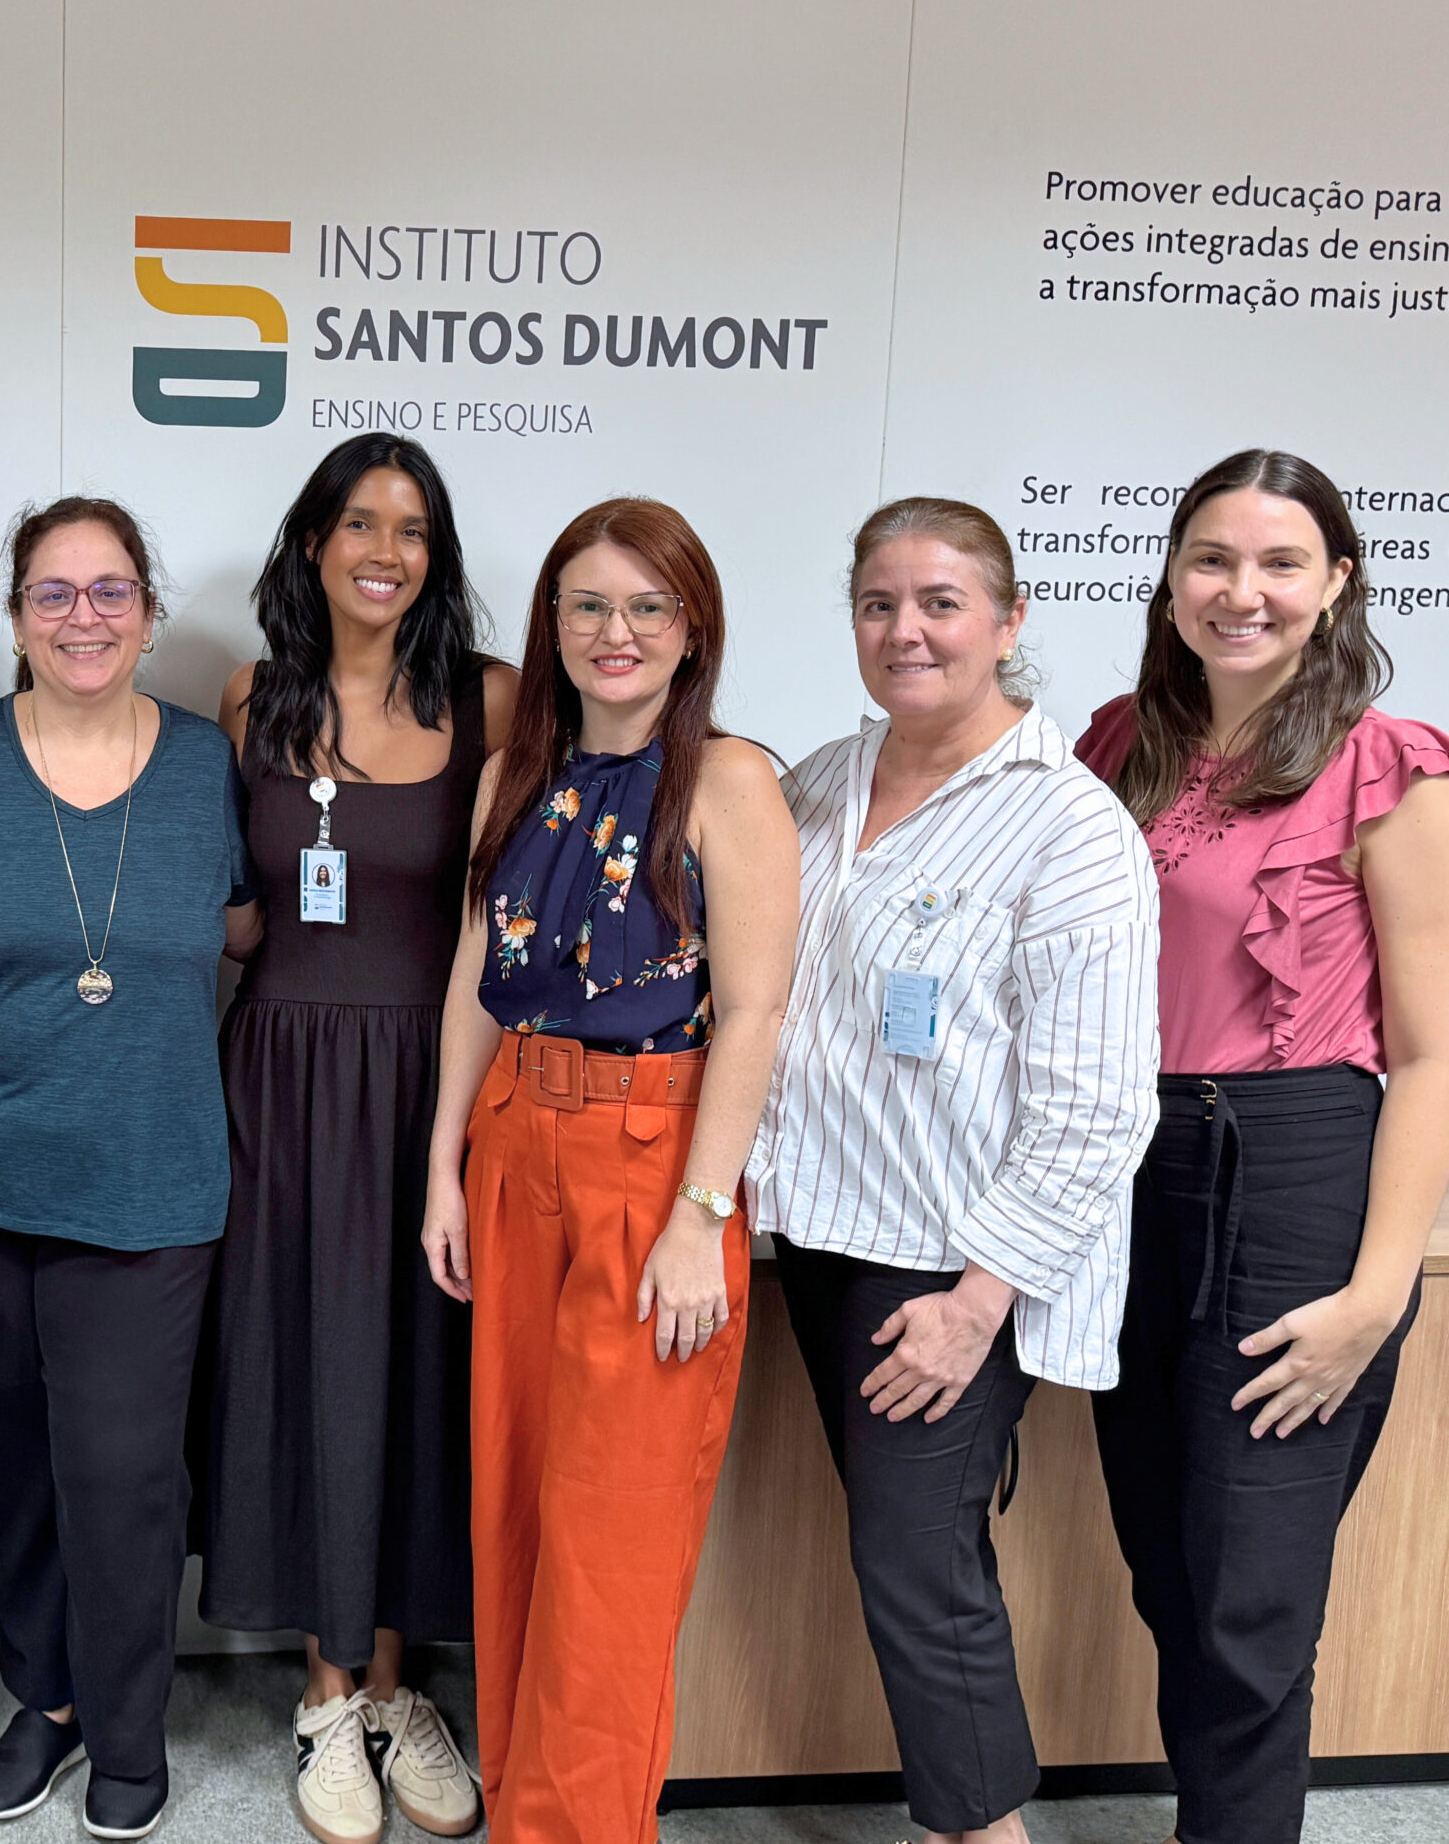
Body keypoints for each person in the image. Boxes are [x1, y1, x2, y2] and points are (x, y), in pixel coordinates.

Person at [748, 498, 1160, 1844]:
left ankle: (981, 1832)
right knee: (901, 1549)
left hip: (947, 1261)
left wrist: (981, 1300)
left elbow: (1099, 1108)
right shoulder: (817, 781)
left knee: (919, 1563)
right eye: (879, 604)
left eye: (938, 603)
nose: (906, 631)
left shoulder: (1072, 828)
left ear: (1009, 619)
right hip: (815, 1236)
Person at [1076, 451, 1448, 1844]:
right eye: (1214, 561)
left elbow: (1431, 1057)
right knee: (1167, 1566)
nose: (1244, 592)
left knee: (1250, 1594)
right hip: (1135, 1162)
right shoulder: (1119, 744)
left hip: (1292, 1169)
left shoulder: (1389, 770)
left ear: (1338, 581)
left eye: (1281, 563)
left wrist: (1375, 1296)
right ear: (1172, 580)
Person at [421, 499, 796, 1843]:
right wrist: (442, 1171)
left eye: (647, 607)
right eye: (588, 605)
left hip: (655, 1164)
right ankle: (526, 1807)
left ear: (692, 629)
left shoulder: (731, 781)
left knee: (612, 1542)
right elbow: (478, 973)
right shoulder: (516, 773)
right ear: (553, 624)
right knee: (515, 1509)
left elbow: (754, 1010)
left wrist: (703, 1216)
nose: (615, 632)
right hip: (515, 1136)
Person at [0, 498, 257, 1841]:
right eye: (54, 594)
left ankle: (128, 1725)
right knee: (10, 1463)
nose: (83, 617)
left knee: (123, 1474)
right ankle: (44, 1697)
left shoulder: (206, 764)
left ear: (150, 613)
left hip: (154, 1180)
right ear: (15, 614)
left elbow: (245, 925)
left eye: (111, 592)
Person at [199, 434, 513, 1844]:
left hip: (425, 1081)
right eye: (358, 523)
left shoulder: (493, 703)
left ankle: (397, 1686)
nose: (385, 551)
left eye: (413, 529)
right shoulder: (250, 700)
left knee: (415, 1374)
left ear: (434, 556)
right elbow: (244, 915)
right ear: (314, 542)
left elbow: (501, 919)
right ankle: (323, 1691)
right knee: (300, 1366)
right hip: (278, 1074)